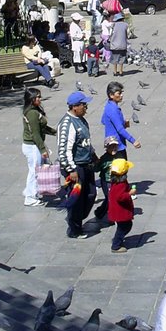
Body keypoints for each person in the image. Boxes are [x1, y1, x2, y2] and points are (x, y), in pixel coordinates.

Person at [57, 90, 99, 239]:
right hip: (76, 168)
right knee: (77, 199)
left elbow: (86, 142)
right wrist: (71, 170)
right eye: (84, 105)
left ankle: (77, 219)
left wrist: (93, 155)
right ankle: (74, 229)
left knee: (91, 194)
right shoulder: (67, 124)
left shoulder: (82, 120)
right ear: (74, 106)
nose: (86, 108)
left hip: (87, 164)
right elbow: (63, 150)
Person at [21, 87, 57, 207]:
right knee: (34, 172)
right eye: (37, 97)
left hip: (33, 145)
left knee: (34, 170)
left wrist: (54, 132)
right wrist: (43, 150)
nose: (40, 99)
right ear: (31, 99)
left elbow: (41, 128)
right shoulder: (32, 113)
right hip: (32, 146)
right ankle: (30, 197)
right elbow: (35, 133)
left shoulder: (34, 110)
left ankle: (29, 191)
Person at [100, 81, 141, 157]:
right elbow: (120, 129)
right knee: (122, 167)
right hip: (117, 145)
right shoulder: (113, 109)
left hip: (111, 144)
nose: (121, 95)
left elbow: (103, 121)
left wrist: (122, 123)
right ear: (111, 95)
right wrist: (133, 141)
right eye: (119, 93)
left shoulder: (108, 105)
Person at [108, 157, 136, 253]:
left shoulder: (116, 181)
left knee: (124, 226)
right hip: (120, 211)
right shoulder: (121, 184)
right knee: (124, 226)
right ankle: (115, 245)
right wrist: (129, 193)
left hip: (118, 210)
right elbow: (120, 197)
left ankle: (118, 240)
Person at [94, 136, 120, 218]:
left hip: (116, 181)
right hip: (107, 181)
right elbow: (96, 169)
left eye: (115, 146)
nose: (113, 148)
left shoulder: (119, 156)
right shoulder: (104, 158)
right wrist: (96, 163)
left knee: (111, 198)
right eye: (111, 146)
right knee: (110, 198)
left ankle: (100, 212)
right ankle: (111, 215)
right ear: (106, 148)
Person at [109, 11, 129, 76]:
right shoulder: (125, 25)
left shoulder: (113, 25)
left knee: (114, 59)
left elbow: (110, 34)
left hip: (114, 45)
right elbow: (127, 35)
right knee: (122, 59)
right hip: (123, 45)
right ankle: (121, 72)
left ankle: (115, 71)